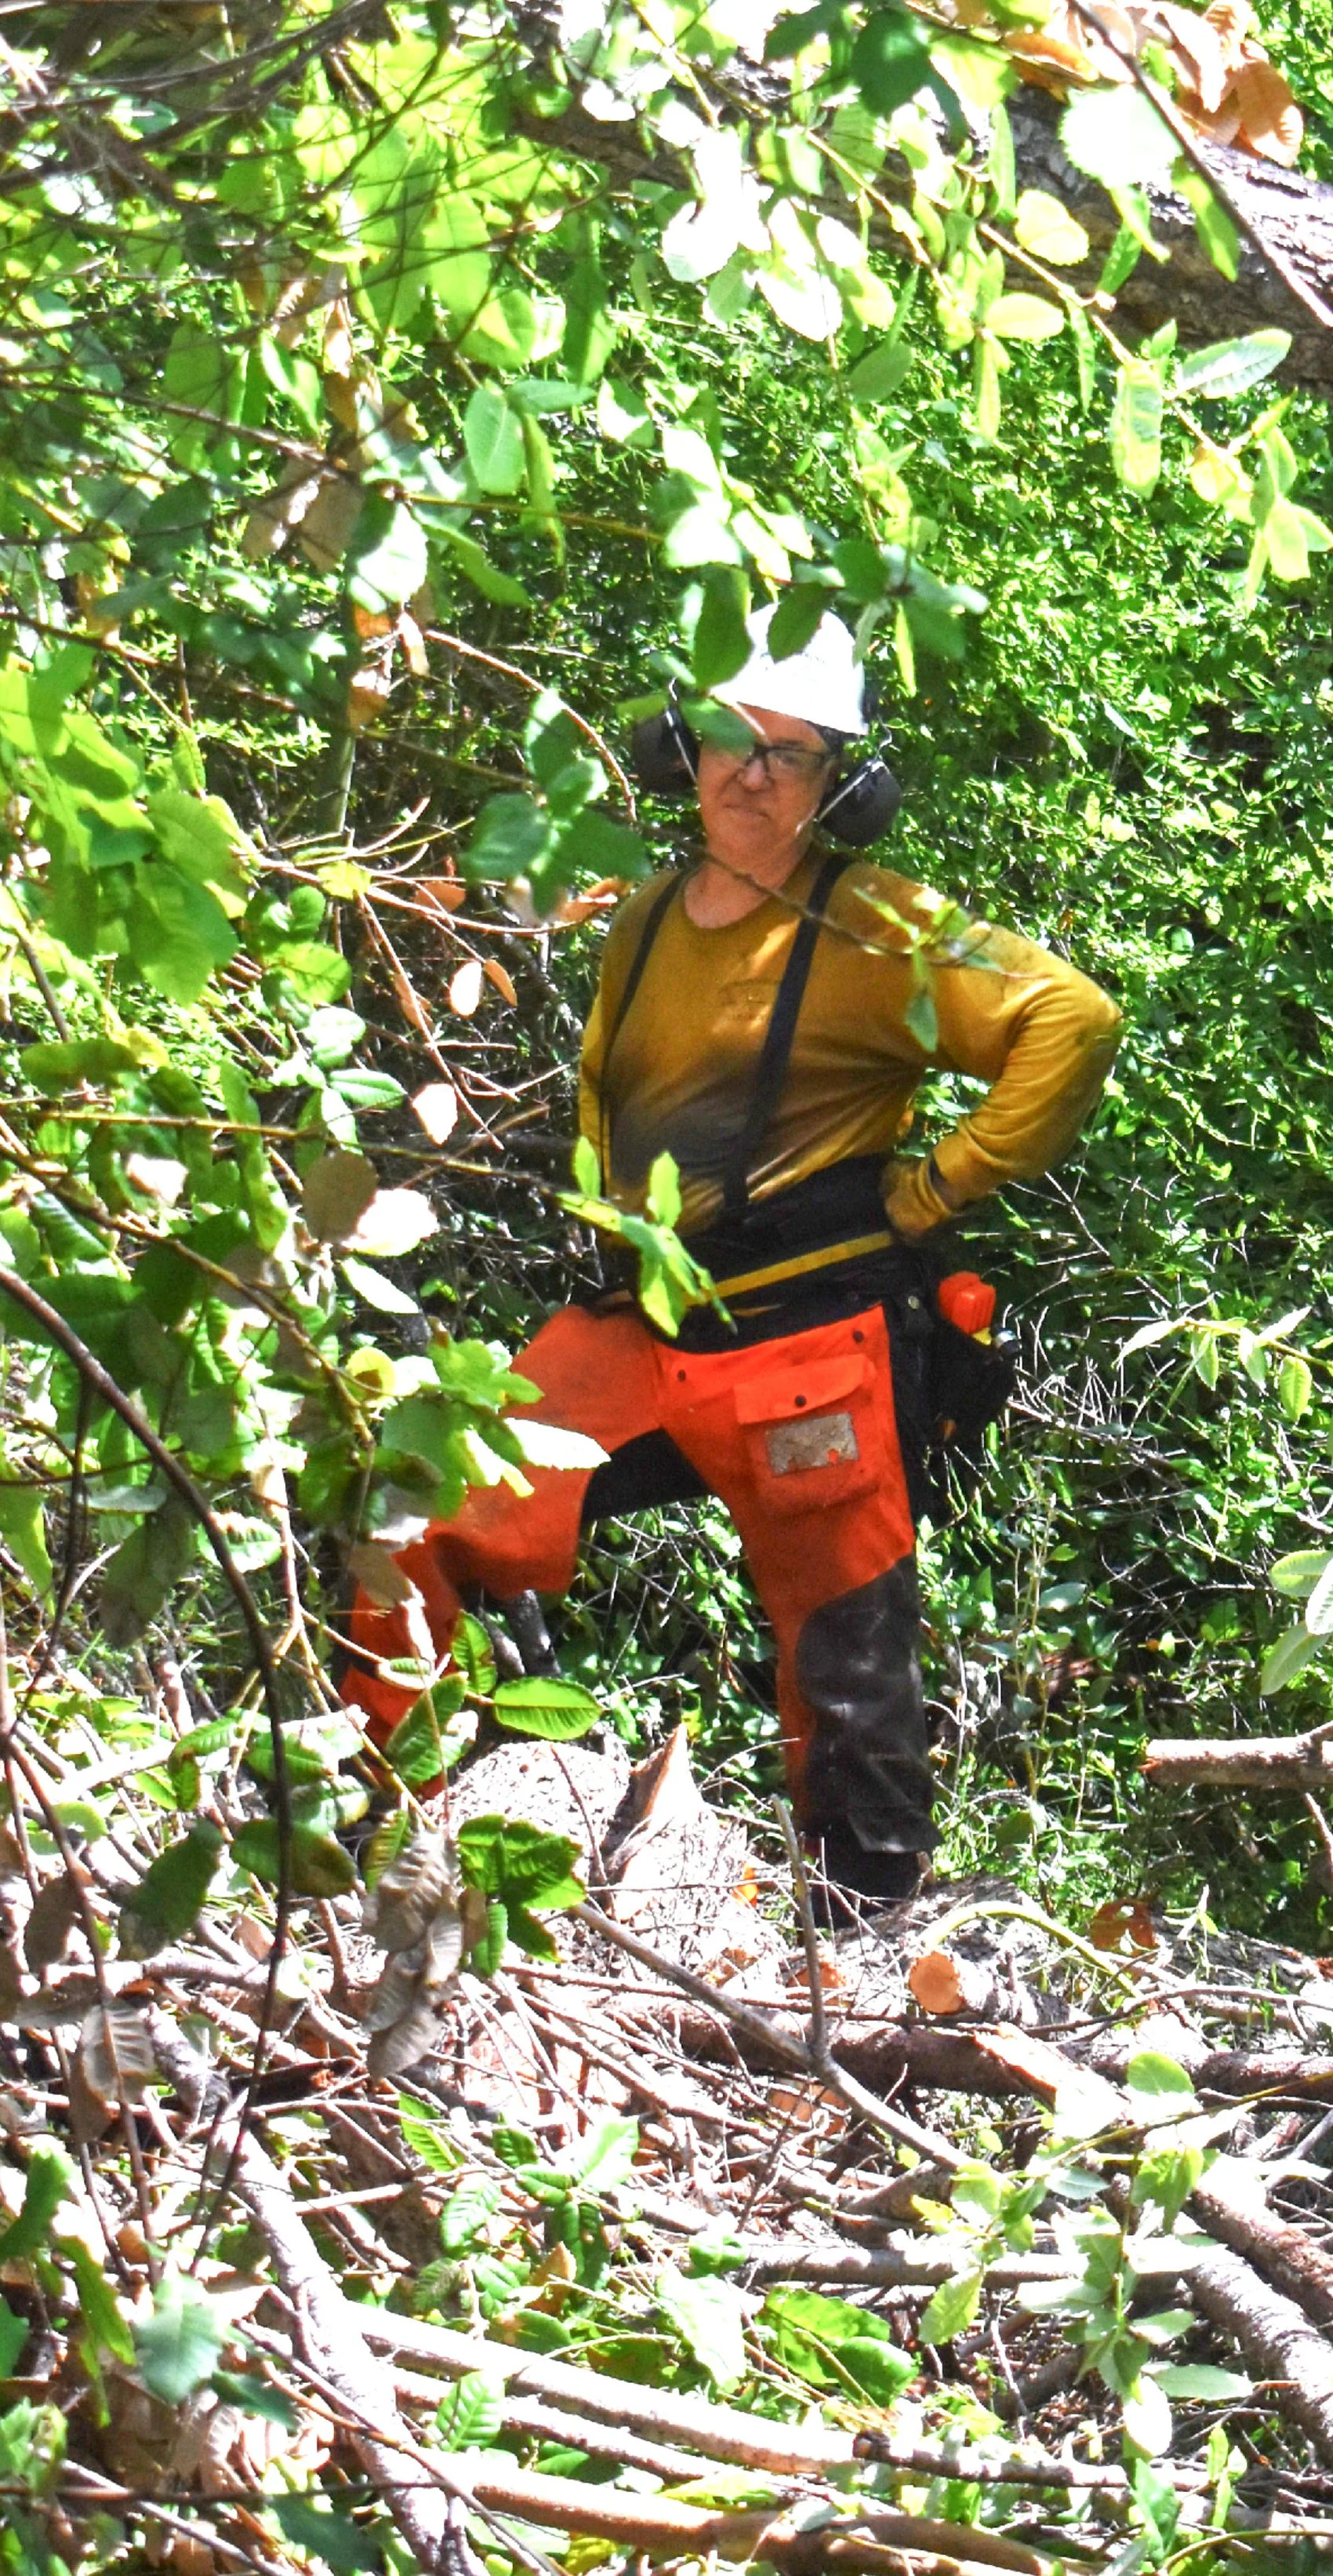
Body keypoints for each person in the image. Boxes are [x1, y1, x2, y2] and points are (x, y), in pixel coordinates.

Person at [343, 609, 1123, 1916]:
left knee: (845, 1659)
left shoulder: (884, 928)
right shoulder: (645, 918)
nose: (750, 773)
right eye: (727, 738)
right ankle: (384, 1830)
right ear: (679, 744)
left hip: (808, 1350)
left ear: (842, 786)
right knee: (418, 1496)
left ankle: (863, 1961)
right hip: (643, 1328)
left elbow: (1072, 1017)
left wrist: (937, 1187)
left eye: (791, 753)